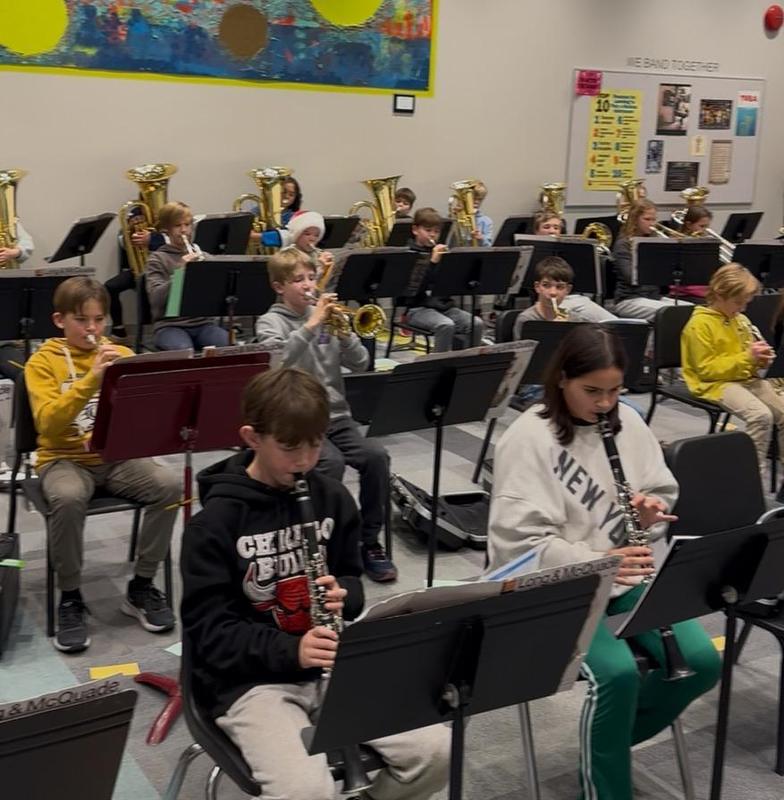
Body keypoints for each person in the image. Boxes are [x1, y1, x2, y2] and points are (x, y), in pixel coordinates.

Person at [180, 367, 450, 799]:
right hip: (252, 681)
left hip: (335, 663)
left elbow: (350, 578)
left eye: (316, 442)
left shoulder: (332, 497)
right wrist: (292, 650)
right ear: (252, 438)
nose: (306, 459)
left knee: (436, 751)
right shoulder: (214, 525)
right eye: (290, 447)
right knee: (305, 791)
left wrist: (346, 595)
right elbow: (210, 634)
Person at [487, 325, 721, 800]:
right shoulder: (527, 439)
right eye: (591, 391)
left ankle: (602, 746)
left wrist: (647, 513)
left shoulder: (626, 422)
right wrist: (596, 558)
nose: (605, 404)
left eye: (615, 390)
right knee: (615, 675)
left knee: (701, 661)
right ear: (561, 381)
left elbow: (660, 489)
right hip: (553, 585)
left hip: (624, 571)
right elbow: (519, 547)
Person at [24, 277, 180, 653]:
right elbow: (48, 424)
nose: (93, 329)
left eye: (99, 319)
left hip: (115, 457)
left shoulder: (121, 356)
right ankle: (71, 595)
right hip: (63, 458)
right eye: (82, 320)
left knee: (170, 485)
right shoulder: (41, 363)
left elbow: (149, 416)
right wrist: (91, 380)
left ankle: (141, 586)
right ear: (60, 320)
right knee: (67, 497)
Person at [255, 248, 397, 582]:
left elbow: (361, 363)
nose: (308, 285)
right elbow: (275, 364)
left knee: (377, 457)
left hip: (336, 414)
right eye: (298, 280)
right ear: (279, 287)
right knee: (329, 464)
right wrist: (312, 324)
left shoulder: (327, 319)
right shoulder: (270, 322)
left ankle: (368, 540)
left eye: (310, 277)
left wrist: (345, 333)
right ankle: (322, 543)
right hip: (297, 419)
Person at [681, 263, 784, 486]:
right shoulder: (699, 324)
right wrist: (747, 358)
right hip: (713, 384)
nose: (743, 309)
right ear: (719, 294)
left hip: (743, 378)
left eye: (746, 303)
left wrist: (762, 360)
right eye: (738, 303)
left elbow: (747, 359)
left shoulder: (740, 320)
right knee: (761, 415)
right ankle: (751, 480)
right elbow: (706, 370)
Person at [145, 201, 230, 351]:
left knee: (226, 344)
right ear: (167, 230)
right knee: (184, 350)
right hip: (169, 325)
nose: (184, 230)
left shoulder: (202, 256)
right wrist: (180, 273)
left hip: (203, 323)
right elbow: (156, 300)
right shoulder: (157, 259)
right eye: (178, 226)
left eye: (187, 224)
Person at [405, 207, 484, 352]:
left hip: (443, 306)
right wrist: (433, 262)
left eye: (436, 232)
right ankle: (437, 364)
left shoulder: (441, 253)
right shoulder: (409, 254)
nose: (433, 235)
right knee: (445, 325)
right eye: (428, 230)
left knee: (476, 323)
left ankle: (466, 362)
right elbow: (412, 290)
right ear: (415, 230)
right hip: (416, 309)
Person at [612, 200, 691, 321]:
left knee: (693, 310)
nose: (652, 224)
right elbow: (631, 277)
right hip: (629, 300)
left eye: (654, 219)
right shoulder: (624, 244)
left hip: (654, 298)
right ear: (634, 220)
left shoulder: (655, 240)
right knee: (674, 314)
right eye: (647, 219)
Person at [530, 213, 617, 322]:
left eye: (556, 228)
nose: (552, 231)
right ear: (536, 231)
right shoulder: (530, 253)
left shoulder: (570, 250)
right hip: (548, 300)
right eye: (546, 227)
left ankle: (619, 326)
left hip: (571, 296)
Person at [105, 210, 165, 344]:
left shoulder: (165, 218)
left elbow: (170, 243)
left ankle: (153, 330)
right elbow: (124, 242)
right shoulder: (135, 212)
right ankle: (119, 329)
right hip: (139, 268)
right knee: (110, 286)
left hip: (162, 269)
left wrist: (153, 238)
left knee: (147, 285)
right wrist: (132, 230)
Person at [0, 219, 34, 379]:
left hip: (4, 343)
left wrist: (14, 252)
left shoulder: (9, 219)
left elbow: (27, 243)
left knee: (24, 376)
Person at [670, 205, 713, 300]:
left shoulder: (705, 242)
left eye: (707, 226)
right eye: (702, 226)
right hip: (684, 293)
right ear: (689, 225)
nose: (705, 230)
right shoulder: (677, 243)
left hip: (703, 291)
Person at [284, 210, 334, 282]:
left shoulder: (317, 254)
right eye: (307, 234)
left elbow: (323, 283)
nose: (312, 239)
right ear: (296, 235)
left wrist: (327, 268)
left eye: (316, 235)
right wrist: (320, 267)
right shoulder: (288, 255)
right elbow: (302, 282)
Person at [472, 180, 494, 246]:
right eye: (473, 198)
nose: (477, 202)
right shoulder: (456, 219)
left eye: (480, 199)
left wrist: (481, 239)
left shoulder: (486, 221)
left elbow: (488, 246)